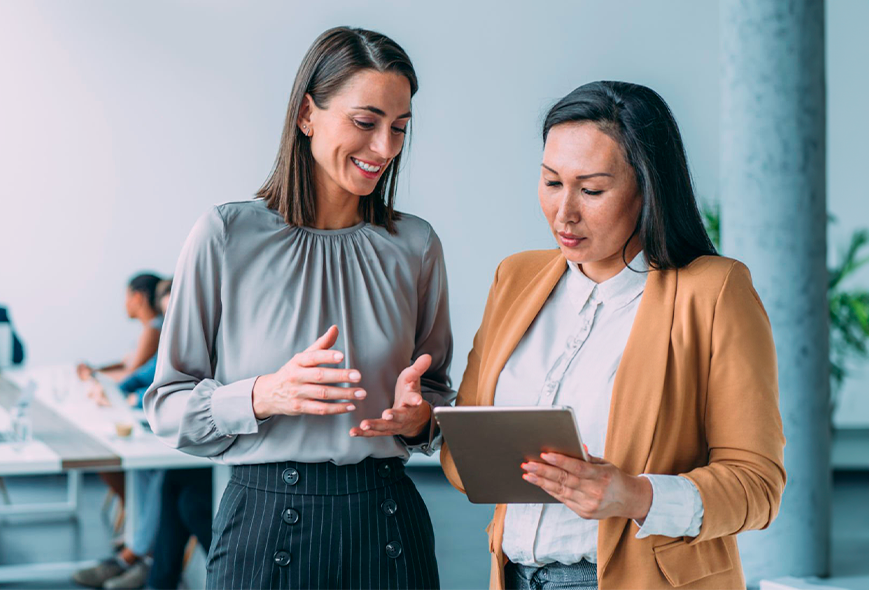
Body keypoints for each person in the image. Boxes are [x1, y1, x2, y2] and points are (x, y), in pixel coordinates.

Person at [441, 81, 786, 590]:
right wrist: (424, 424)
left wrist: (634, 495)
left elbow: (757, 487)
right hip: (511, 576)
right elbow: (467, 460)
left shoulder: (713, 291)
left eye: (592, 190)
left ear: (648, 188)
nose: (565, 213)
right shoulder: (514, 278)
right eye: (551, 182)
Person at [145, 26, 453, 590]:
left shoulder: (417, 246)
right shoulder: (226, 236)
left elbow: (436, 396)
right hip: (265, 524)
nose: (385, 147)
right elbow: (167, 406)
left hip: (388, 521)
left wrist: (421, 420)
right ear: (308, 113)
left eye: (400, 128)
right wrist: (264, 395)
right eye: (366, 123)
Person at [73, 278, 173, 590]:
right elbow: (143, 374)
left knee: (153, 472)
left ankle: (136, 554)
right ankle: (135, 552)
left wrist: (126, 392)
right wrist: (114, 387)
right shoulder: (167, 333)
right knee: (142, 468)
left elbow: (154, 379)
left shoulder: (162, 331)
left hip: (179, 438)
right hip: (156, 426)